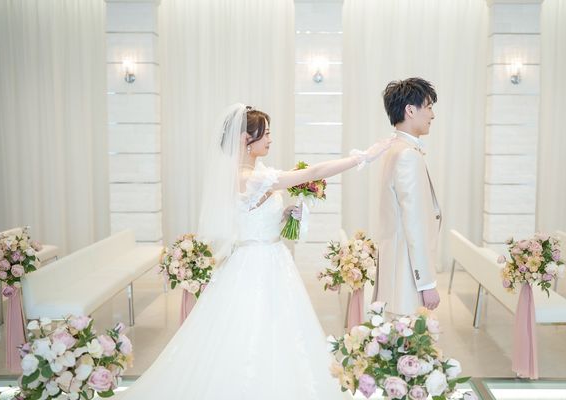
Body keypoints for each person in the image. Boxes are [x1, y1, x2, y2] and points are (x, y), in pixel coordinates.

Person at [117, 104, 392, 399]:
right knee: (254, 329)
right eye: (266, 134)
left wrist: (283, 215)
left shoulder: (254, 175)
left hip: (272, 258)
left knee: (279, 331)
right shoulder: (249, 178)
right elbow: (313, 172)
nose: (270, 139)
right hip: (257, 265)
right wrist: (362, 157)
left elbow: (253, 219)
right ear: (245, 139)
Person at [372, 77, 442, 317]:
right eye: (429, 107)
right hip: (406, 274)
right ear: (410, 110)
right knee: (407, 335)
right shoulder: (407, 155)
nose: (432, 115)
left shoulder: (392, 149)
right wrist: (427, 283)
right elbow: (415, 223)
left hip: (395, 267)